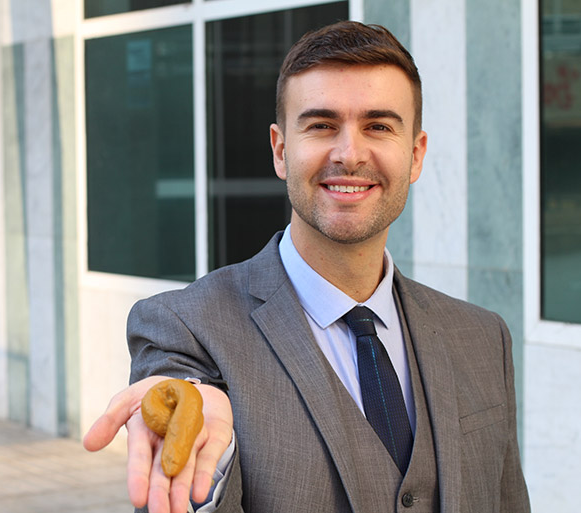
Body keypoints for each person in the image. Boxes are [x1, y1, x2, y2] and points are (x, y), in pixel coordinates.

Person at [83, 20, 530, 513]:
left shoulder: (484, 338)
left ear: (416, 155)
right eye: (321, 125)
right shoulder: (186, 328)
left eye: (378, 126)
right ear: (280, 150)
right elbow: (178, 402)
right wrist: (199, 431)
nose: (349, 154)